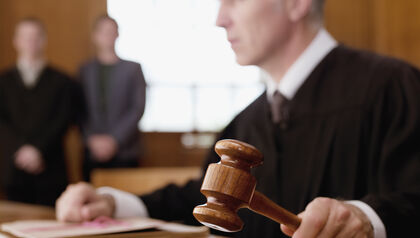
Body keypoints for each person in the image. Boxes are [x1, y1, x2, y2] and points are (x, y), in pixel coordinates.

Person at [56, 0, 420, 237]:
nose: (219, 19)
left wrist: (365, 218)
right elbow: (205, 198)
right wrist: (112, 205)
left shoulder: (392, 87)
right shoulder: (246, 121)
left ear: (296, 4)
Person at [0, 17, 73, 206]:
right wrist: (21, 149)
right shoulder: (3, 81)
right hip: (13, 168)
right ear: (16, 41)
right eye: (26, 37)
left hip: (51, 168)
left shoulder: (62, 81)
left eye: (36, 36)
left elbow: (63, 119)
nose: (31, 42)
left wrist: (38, 149)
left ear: (44, 40)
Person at [79, 15, 146, 181]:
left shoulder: (133, 69)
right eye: (103, 32)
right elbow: (79, 110)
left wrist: (114, 140)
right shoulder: (84, 71)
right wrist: (92, 139)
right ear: (95, 36)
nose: (107, 36)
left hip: (125, 151)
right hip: (92, 152)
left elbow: (137, 108)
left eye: (111, 31)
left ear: (118, 34)